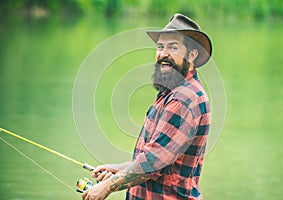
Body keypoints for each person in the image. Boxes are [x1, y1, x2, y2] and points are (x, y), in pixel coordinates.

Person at [82, 13, 212, 200]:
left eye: (173, 47)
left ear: (192, 54)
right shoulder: (171, 92)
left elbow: (154, 161)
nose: (163, 54)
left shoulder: (184, 98)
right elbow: (157, 156)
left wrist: (107, 187)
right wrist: (118, 170)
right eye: (160, 47)